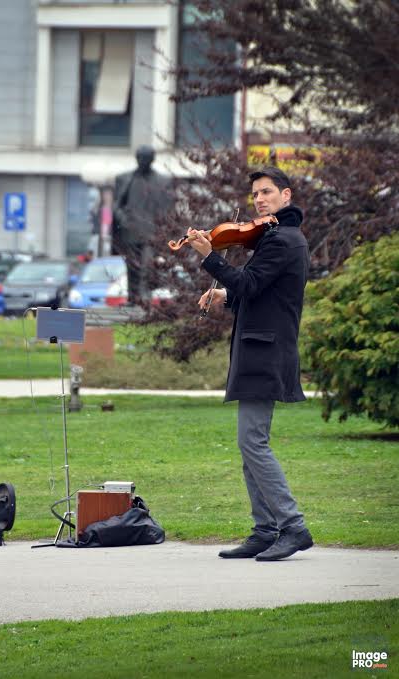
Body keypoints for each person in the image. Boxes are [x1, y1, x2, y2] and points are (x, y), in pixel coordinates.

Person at [187, 166, 313, 561]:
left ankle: (292, 526)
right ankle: (264, 529)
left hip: (266, 353)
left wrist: (211, 258)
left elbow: (250, 283)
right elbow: (256, 290)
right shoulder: (274, 239)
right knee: (249, 445)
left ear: (286, 196)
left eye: (267, 192)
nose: (259, 200)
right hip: (260, 349)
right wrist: (225, 294)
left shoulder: (284, 241)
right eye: (255, 194)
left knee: (252, 442)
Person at [113, 145, 172, 304]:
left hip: (152, 232)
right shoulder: (125, 179)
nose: (142, 162)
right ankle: (133, 297)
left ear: (152, 160)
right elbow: (116, 205)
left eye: (145, 158)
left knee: (147, 264)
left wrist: (164, 230)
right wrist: (123, 219)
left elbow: (168, 209)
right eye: (139, 158)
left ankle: (144, 296)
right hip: (130, 232)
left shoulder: (163, 181)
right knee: (132, 266)